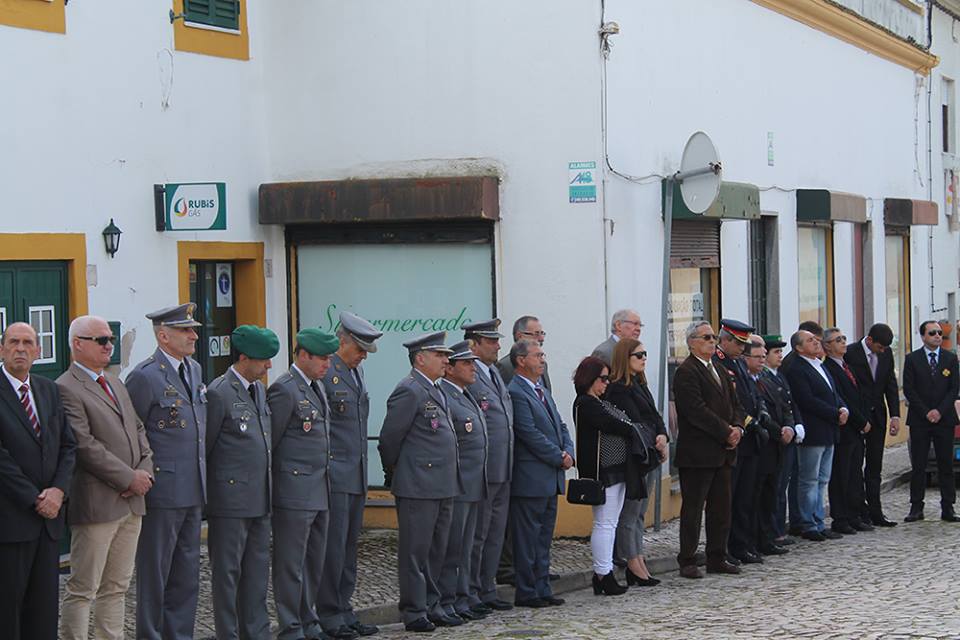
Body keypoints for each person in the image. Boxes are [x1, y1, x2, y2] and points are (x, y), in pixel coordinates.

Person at [57, 315, 152, 640]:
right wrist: (128, 478)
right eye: (101, 340)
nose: (109, 345)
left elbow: (138, 428)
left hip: (131, 504)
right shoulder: (66, 387)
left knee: (117, 587)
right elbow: (84, 445)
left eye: (110, 339)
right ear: (77, 344)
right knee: (84, 588)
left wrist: (145, 471)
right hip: (97, 504)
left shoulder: (113, 381)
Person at [126, 303, 207, 640]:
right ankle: (151, 634)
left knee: (187, 573)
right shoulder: (145, 376)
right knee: (155, 573)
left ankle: (179, 635)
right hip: (162, 490)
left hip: (193, 487)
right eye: (186, 330)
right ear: (163, 335)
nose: (194, 335)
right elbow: (132, 433)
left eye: (193, 329)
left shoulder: (195, 370)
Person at [378, 332, 462, 633]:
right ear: (420, 358)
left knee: (437, 550)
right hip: (418, 484)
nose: (446, 360)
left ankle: (432, 604)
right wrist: (399, 473)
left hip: (442, 483)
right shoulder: (410, 390)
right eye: (439, 355)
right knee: (416, 552)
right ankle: (414, 610)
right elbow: (389, 440)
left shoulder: (435, 389)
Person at [0, 322, 76, 639]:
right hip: (10, 523)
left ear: (38, 351)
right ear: (2, 349)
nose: (21, 348)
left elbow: (68, 446)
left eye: (28, 342)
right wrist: (35, 498)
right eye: (13, 342)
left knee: (43, 610)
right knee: (7, 611)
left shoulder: (48, 389)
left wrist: (58, 491)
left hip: (48, 525)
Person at [205, 325, 278, 640]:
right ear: (244, 357)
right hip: (230, 501)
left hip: (260, 497)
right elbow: (205, 448)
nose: (269, 366)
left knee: (257, 574)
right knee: (228, 575)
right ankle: (229, 634)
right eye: (263, 360)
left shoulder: (258, 389)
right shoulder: (219, 392)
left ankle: (256, 632)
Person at [267, 328, 338, 640]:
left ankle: (309, 620)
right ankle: (291, 624)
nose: (328, 364)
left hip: (319, 488)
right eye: (322, 358)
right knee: (291, 563)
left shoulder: (316, 387)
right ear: (303, 355)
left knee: (313, 562)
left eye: (329, 358)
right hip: (294, 490)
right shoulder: (285, 389)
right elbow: (273, 442)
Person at [317, 311, 383, 640]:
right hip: (334, 475)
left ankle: (344, 608)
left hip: (355, 474)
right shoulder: (327, 373)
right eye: (358, 349)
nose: (362, 356)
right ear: (342, 341)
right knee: (332, 549)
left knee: (348, 549)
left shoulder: (355, 374)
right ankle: (328, 613)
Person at [673, 321, 743, 579]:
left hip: (723, 452)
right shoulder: (687, 372)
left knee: (721, 508)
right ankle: (688, 559)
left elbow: (736, 404)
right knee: (693, 508)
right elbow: (695, 411)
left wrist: (737, 428)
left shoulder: (720, 370)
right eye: (706, 337)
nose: (712, 341)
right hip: (698, 453)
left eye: (714, 337)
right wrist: (726, 431)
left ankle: (717, 556)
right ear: (692, 342)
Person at [507, 338, 574, 607]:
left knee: (544, 538)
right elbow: (529, 433)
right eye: (537, 355)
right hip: (531, 478)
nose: (543, 359)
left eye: (543, 354)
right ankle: (526, 591)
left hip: (550, 478)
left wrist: (568, 450)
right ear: (521, 360)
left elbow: (560, 424)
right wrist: (558, 457)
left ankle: (542, 587)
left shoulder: (541, 389)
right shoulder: (516, 392)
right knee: (526, 539)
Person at [603, 338, 667, 586]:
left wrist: (663, 435)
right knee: (629, 514)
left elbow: (654, 416)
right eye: (638, 355)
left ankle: (639, 558)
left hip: (648, 455)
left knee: (640, 513)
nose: (643, 359)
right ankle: (631, 562)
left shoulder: (640, 384)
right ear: (624, 358)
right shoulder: (618, 389)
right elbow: (635, 422)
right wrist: (655, 436)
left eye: (644, 354)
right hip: (633, 459)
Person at [462, 319, 514, 614]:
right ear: (474, 344)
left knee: (495, 532)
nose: (497, 345)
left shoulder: (493, 372)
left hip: (503, 466)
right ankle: (470, 590)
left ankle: (487, 586)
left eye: (497, 340)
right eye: (491, 341)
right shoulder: (469, 377)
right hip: (483, 469)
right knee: (478, 534)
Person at [572, 357, 633, 596]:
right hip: (601, 471)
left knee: (611, 523)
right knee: (604, 524)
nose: (607, 383)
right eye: (603, 379)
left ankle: (604, 572)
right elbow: (615, 423)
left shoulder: (598, 401)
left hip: (614, 468)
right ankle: (602, 573)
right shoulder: (586, 403)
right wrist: (630, 427)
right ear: (589, 379)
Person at [438, 341, 489, 621]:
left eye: (472, 362)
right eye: (466, 363)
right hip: (457, 483)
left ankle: (463, 596)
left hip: (473, 482)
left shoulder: (464, 394)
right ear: (450, 369)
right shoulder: (446, 395)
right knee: (453, 547)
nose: (473, 368)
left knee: (468, 545)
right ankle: (449, 599)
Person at [784, 330, 847, 542]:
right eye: (810, 340)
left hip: (829, 430)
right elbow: (806, 399)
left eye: (816, 339)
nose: (816, 343)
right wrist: (834, 412)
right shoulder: (797, 368)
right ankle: (807, 522)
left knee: (822, 480)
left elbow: (833, 394)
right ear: (799, 348)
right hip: (813, 430)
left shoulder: (820, 365)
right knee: (808, 479)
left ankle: (819, 520)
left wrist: (843, 408)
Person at [901, 320, 960, 522]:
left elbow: (954, 389)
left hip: (944, 419)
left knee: (945, 465)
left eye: (940, 333)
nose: (937, 336)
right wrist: (926, 412)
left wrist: (939, 411)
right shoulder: (912, 359)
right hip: (920, 419)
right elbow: (909, 389)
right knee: (919, 465)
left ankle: (948, 507)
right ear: (923, 336)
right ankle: (916, 507)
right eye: (933, 333)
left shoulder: (951, 359)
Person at [844, 323, 901, 527]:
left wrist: (895, 414)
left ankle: (876, 511)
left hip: (878, 417)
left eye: (885, 348)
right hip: (857, 417)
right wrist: (859, 418)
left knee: (875, 465)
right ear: (869, 341)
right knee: (856, 465)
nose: (883, 351)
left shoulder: (886, 354)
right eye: (879, 347)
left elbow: (890, 385)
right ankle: (859, 510)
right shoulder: (850, 353)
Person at [742, 335, 791, 557]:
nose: (762, 360)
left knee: (770, 495)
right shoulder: (745, 381)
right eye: (758, 357)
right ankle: (752, 540)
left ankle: (766, 538)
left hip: (775, 446)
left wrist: (789, 427)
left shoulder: (767, 381)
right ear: (746, 357)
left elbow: (784, 406)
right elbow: (757, 414)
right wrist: (777, 431)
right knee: (754, 497)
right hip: (760, 445)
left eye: (764, 357)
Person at [757, 334, 807, 550]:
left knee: (782, 485)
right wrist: (782, 430)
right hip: (774, 440)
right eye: (776, 352)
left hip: (787, 435)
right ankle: (772, 531)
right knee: (774, 488)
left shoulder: (779, 376)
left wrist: (795, 424)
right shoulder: (763, 377)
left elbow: (789, 403)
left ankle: (777, 530)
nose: (780, 356)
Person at [820, 328, 872, 535]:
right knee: (840, 475)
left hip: (856, 430)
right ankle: (840, 517)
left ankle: (854, 514)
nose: (843, 342)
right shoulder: (829, 368)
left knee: (854, 474)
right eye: (837, 340)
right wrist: (860, 422)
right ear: (827, 346)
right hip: (846, 429)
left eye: (843, 338)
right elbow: (844, 399)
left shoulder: (846, 366)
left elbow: (858, 395)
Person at [496, 315, 552, 391]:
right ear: (520, 336)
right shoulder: (506, 366)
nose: (541, 338)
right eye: (536, 334)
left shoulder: (543, 365)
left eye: (542, 333)